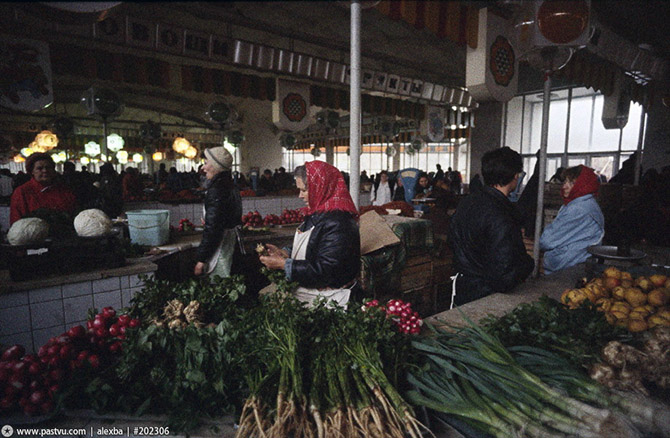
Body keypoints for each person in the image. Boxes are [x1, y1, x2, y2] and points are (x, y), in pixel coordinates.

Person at [259, 161, 360, 308]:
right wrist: (286, 253)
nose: (300, 195)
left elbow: (326, 271)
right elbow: (313, 246)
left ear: (321, 188)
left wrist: (284, 265)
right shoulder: (317, 214)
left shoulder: (339, 222)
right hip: (312, 292)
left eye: (305, 190)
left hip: (331, 299)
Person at [448, 147, 534, 306]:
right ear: (515, 176)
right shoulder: (501, 214)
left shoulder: (467, 202)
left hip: (461, 288)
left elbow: (452, 240)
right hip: (487, 297)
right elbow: (504, 277)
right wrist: (528, 264)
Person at [540, 165, 604, 275]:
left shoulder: (577, 208)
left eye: (572, 183)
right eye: (565, 181)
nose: (564, 186)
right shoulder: (586, 203)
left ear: (582, 185)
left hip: (568, 268)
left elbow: (546, 241)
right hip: (578, 262)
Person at [194, 147, 242, 278]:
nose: (203, 168)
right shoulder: (229, 184)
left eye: (206, 163)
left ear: (215, 166)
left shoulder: (217, 189)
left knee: (220, 289)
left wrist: (201, 259)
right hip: (229, 243)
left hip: (220, 247)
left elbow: (213, 229)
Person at [10, 153, 76, 224]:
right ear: (32, 171)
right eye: (39, 168)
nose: (45, 171)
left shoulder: (64, 190)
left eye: (48, 167)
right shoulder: (22, 192)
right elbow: (16, 222)